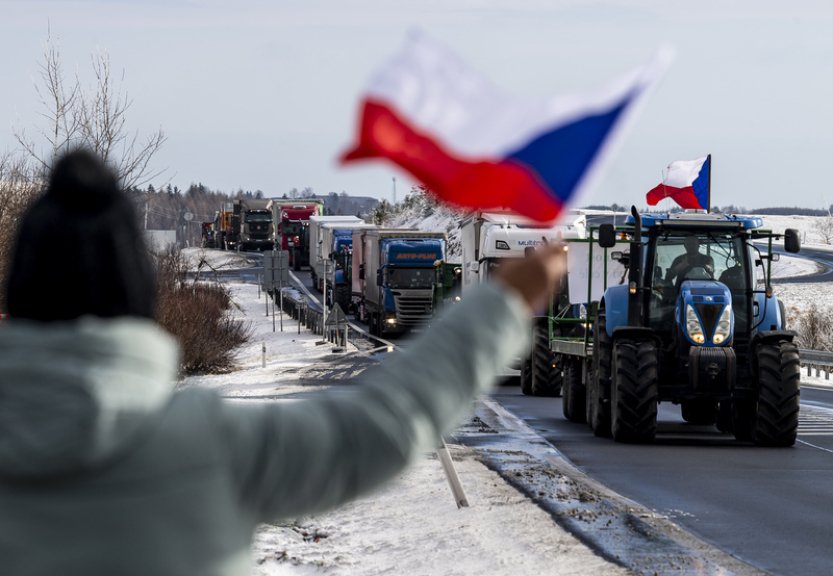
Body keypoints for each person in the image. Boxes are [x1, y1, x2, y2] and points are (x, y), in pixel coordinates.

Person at [0, 149, 566, 576]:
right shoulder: (210, 448)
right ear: (138, 298)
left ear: (19, 297)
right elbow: (385, 425)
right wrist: (502, 304)